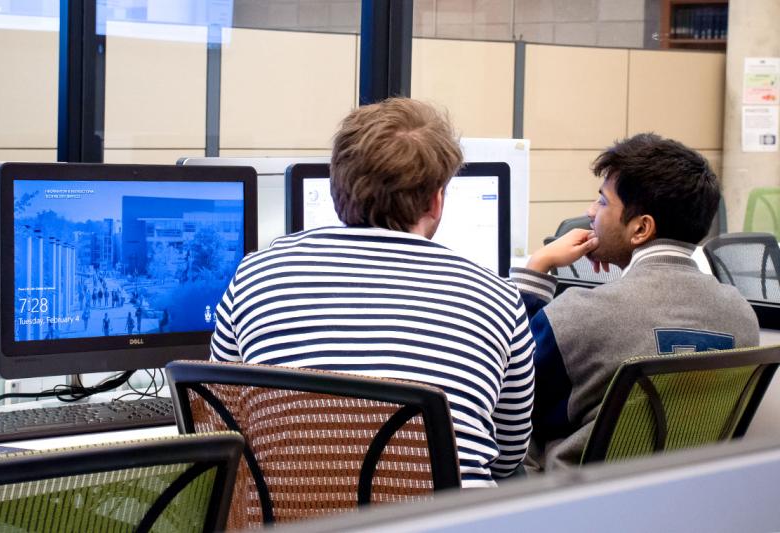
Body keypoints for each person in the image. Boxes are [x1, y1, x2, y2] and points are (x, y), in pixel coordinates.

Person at [210, 97, 536, 487]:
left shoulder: (254, 274)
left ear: (335, 189)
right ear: (436, 200)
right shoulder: (498, 297)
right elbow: (508, 451)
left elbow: (221, 418)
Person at [509, 133, 760, 471]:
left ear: (641, 229)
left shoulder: (579, 316)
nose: (590, 212)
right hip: (681, 502)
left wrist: (537, 267)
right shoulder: (741, 315)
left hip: (574, 508)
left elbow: (507, 385)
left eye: (602, 202)